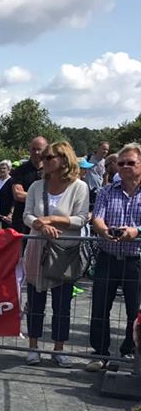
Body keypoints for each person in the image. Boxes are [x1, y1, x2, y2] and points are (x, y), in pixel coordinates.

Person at [22, 142, 89, 367]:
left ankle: (59, 348)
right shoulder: (36, 186)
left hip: (64, 252)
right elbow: (27, 215)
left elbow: (81, 218)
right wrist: (40, 225)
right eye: (44, 157)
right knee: (35, 301)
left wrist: (53, 220)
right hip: (37, 250)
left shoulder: (79, 187)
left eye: (49, 157)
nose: (44, 160)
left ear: (64, 159)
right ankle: (33, 347)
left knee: (62, 304)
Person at [87, 142, 141, 371]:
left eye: (131, 162)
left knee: (134, 311)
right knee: (100, 308)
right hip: (108, 257)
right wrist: (103, 230)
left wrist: (136, 231)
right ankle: (100, 354)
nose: (125, 166)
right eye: (121, 163)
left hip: (136, 260)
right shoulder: (107, 191)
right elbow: (97, 217)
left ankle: (129, 352)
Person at [10, 137, 46, 234]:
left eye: (39, 149)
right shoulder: (20, 170)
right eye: (33, 149)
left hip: (45, 221)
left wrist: (28, 196)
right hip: (21, 220)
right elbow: (18, 195)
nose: (36, 152)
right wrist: (45, 198)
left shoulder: (51, 171)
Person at [87, 141, 110, 207]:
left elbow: (105, 178)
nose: (105, 151)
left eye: (107, 150)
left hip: (98, 192)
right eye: (103, 149)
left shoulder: (105, 162)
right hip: (86, 191)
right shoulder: (88, 159)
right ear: (98, 148)